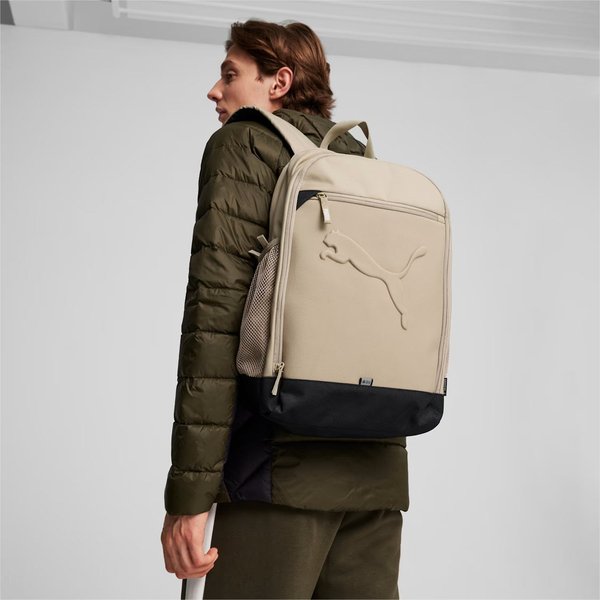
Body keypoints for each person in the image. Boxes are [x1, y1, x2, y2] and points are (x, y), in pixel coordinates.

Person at [160, 19, 410, 599]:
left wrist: (189, 500)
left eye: (230, 74)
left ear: (279, 82)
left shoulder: (244, 142)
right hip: (376, 470)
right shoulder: (361, 162)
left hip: (274, 475)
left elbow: (214, 324)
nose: (215, 91)